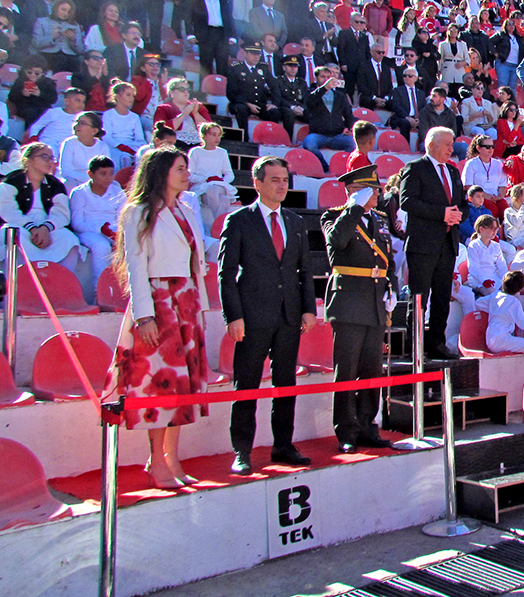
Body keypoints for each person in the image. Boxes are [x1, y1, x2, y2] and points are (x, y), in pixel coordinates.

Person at [105, 147, 209, 487]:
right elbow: (135, 264)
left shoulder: (187, 209)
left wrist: (200, 308)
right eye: (179, 168)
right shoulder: (138, 211)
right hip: (159, 301)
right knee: (158, 383)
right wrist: (144, 316)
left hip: (186, 300)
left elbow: (196, 262)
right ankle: (156, 461)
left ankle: (172, 458)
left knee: (182, 385)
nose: (186, 174)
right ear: (161, 171)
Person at [219, 156, 316, 474]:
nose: (282, 185)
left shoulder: (295, 221)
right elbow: (227, 273)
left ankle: (283, 445)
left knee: (284, 385)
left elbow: (304, 270)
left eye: (285, 179)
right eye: (274, 179)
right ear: (257, 183)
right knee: (246, 384)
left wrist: (308, 308)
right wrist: (233, 315)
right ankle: (242, 451)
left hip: (288, 317)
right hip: (252, 316)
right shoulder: (239, 221)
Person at [322, 164, 395, 452]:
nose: (377, 194)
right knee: (347, 369)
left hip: (375, 302)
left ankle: (367, 424)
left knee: (371, 370)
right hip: (349, 302)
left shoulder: (377, 219)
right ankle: (346, 430)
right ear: (355, 192)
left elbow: (385, 259)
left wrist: (389, 287)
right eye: (371, 190)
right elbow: (336, 243)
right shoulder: (335, 217)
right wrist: (352, 209)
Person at [399, 126, 465, 360]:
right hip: (423, 244)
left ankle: (437, 343)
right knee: (419, 298)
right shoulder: (415, 169)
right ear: (431, 145)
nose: (451, 148)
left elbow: (462, 204)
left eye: (452, 143)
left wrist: (459, 215)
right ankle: (414, 345)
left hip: (447, 244)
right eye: (447, 143)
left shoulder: (454, 172)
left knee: (441, 298)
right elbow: (407, 201)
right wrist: (442, 214)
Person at [0, 142, 81, 266]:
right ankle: (18, 279)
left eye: (51, 158)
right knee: (10, 234)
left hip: (48, 226)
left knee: (69, 240)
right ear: (28, 160)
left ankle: (62, 281)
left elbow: (61, 213)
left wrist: (45, 228)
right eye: (44, 157)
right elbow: (8, 210)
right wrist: (32, 228)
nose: (50, 162)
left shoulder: (55, 184)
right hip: (21, 224)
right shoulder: (12, 181)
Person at [68, 154, 124, 293]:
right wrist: (101, 229)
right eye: (103, 174)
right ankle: (99, 292)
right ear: (90, 174)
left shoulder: (118, 192)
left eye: (111, 174)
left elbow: (123, 218)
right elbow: (77, 223)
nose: (108, 178)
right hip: (88, 232)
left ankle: (124, 294)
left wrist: (115, 233)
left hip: (113, 230)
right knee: (101, 246)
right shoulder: (79, 193)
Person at [303, 65, 356, 172]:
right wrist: (324, 88)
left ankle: (346, 168)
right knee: (308, 143)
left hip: (337, 135)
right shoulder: (310, 93)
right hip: (318, 134)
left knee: (353, 143)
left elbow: (348, 114)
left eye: (328, 77)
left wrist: (349, 128)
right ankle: (325, 167)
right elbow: (309, 103)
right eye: (322, 77)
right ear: (316, 78)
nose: (326, 80)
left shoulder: (340, 96)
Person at [188, 122, 236, 227]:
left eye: (218, 135)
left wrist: (220, 181)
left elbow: (229, 174)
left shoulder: (222, 152)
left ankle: (218, 224)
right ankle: (220, 224)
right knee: (220, 197)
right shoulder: (195, 152)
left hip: (218, 185)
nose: (217, 138)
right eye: (213, 134)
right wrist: (206, 179)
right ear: (204, 136)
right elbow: (189, 174)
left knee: (215, 190)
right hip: (201, 185)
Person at [227, 43, 280, 131]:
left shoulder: (263, 68)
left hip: (259, 104)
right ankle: (245, 139)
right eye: (253, 54)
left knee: (275, 112)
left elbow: (274, 87)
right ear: (246, 54)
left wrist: (274, 104)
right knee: (241, 109)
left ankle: (270, 139)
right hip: (242, 103)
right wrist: (247, 104)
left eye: (258, 54)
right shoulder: (236, 69)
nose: (256, 57)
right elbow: (230, 93)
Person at [153, 78, 211, 148]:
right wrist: (183, 114)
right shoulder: (163, 108)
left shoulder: (198, 106)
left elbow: (209, 129)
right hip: (174, 144)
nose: (186, 92)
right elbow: (162, 130)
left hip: (199, 145)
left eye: (187, 90)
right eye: (181, 89)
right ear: (171, 92)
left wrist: (195, 113)